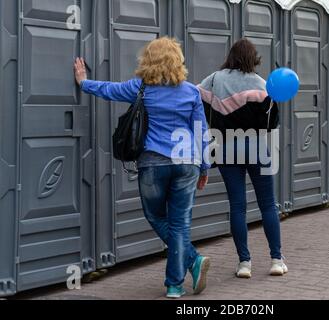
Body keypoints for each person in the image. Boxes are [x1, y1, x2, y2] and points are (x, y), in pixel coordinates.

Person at [73, 37, 211, 299]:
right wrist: (204, 167)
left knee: (156, 217)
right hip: (187, 164)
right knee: (180, 224)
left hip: (153, 164)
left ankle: (189, 266)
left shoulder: (140, 88)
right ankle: (176, 282)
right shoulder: (191, 92)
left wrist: (83, 82)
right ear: (178, 60)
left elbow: (108, 89)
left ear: (148, 60)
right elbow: (201, 131)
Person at [198, 38, 287, 278]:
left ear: (231, 56)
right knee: (268, 204)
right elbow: (272, 124)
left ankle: (244, 263)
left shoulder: (215, 79)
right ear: (253, 59)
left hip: (226, 148)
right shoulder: (262, 85)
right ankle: (276, 260)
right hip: (257, 148)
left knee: (237, 207)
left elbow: (196, 97)